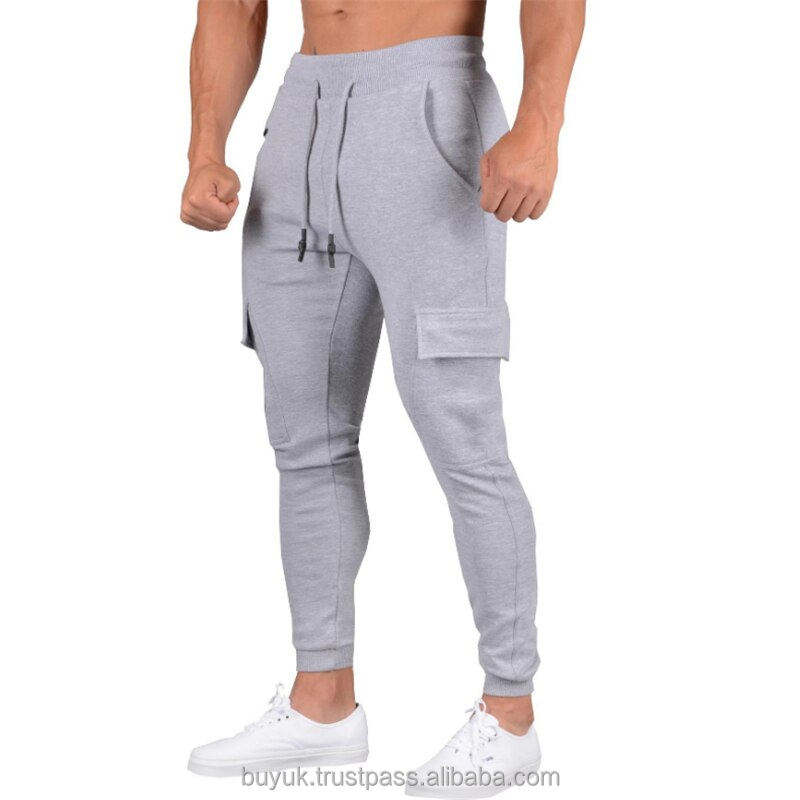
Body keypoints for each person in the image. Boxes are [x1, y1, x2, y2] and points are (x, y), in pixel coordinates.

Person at [181, 1, 583, 793]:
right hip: (299, 119)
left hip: (429, 112)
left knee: (461, 436)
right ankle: (322, 702)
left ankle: (511, 716)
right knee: (305, 438)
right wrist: (204, 149)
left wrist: (541, 123)